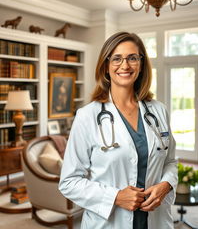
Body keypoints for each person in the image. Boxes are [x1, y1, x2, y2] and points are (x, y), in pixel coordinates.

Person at [59, 32, 177, 229]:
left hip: (156, 221)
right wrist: (115, 197)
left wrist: (166, 185)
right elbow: (69, 182)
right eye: (117, 58)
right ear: (106, 66)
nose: (125, 65)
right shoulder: (87, 116)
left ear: (141, 64)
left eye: (132, 58)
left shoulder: (158, 110)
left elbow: (171, 161)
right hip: (109, 223)